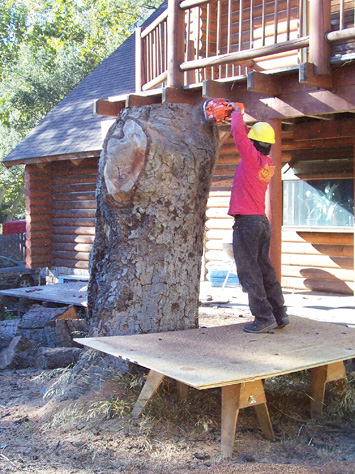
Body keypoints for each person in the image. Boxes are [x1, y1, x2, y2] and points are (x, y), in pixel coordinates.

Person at [228, 104, 289, 333]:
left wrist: (237, 112)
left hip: (247, 222)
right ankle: (280, 314)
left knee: (248, 271)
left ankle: (263, 317)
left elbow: (237, 133)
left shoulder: (252, 159)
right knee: (265, 269)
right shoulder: (269, 164)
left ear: (253, 143)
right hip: (262, 222)